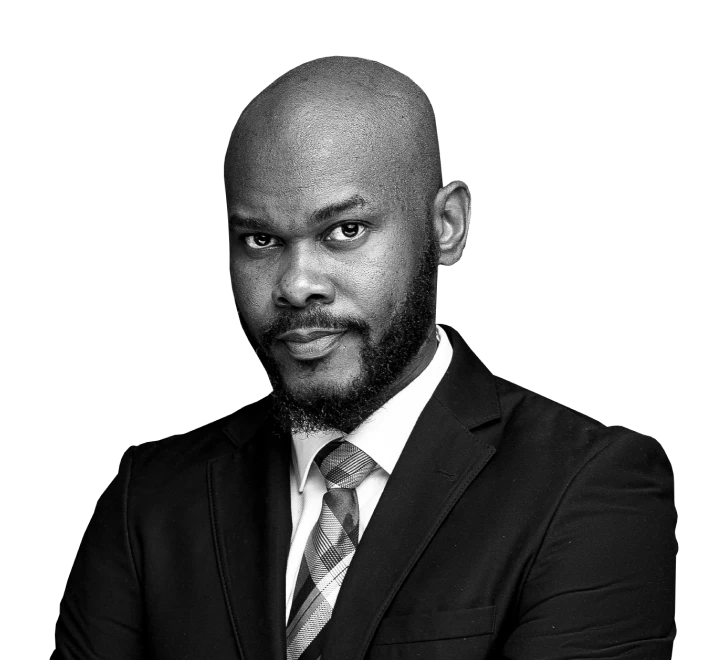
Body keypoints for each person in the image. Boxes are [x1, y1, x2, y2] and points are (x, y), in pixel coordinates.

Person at [54, 56, 677, 659]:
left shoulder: (590, 489)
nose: (297, 284)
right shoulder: (149, 500)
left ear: (448, 226)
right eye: (261, 239)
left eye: (345, 230)